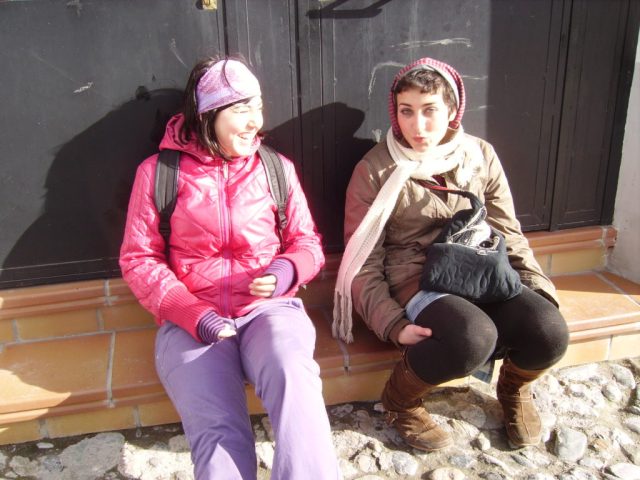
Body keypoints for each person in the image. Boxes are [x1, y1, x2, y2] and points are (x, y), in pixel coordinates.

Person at [333, 57, 569, 452]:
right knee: (472, 337)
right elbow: (362, 261)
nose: (418, 126)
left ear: (452, 111)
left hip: (479, 268)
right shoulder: (375, 170)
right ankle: (400, 402)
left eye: (430, 111)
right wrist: (392, 323)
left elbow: (508, 231)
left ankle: (514, 388)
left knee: (549, 329)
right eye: (406, 111)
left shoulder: (480, 155)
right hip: (417, 280)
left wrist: (535, 287)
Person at [120, 57, 340, 479]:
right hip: (191, 320)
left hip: (269, 312)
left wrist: (286, 271)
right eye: (241, 109)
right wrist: (190, 312)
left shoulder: (275, 169)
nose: (255, 121)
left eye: (257, 106)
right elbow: (139, 258)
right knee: (217, 431)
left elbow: (306, 242)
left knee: (296, 384)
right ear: (208, 115)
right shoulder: (158, 174)